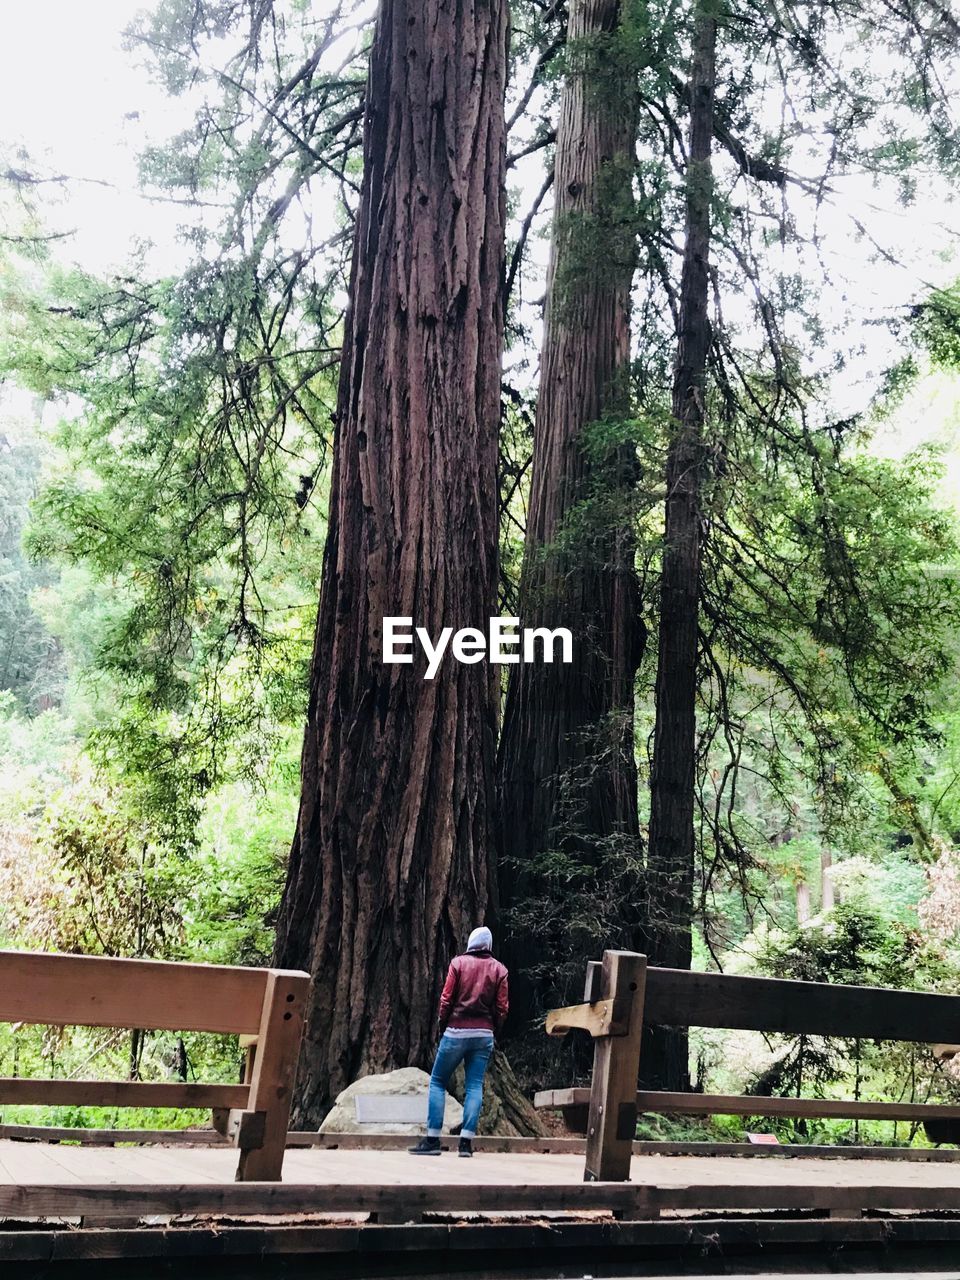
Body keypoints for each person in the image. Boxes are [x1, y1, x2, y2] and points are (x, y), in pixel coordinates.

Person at [409, 926, 508, 1158]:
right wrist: (493, 1028)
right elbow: (503, 1007)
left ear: (471, 943)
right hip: (484, 1035)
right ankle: (465, 1143)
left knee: (438, 1081)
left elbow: (446, 999)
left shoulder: (458, 964)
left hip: (456, 1031)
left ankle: (432, 1139)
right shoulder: (500, 970)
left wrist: (443, 1024)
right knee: (474, 1086)